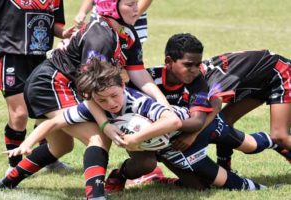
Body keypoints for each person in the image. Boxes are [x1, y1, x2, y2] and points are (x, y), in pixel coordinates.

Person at [0, 0, 170, 199]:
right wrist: (105, 125)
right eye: (130, 4)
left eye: (136, 3)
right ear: (112, 7)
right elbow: (91, 88)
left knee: (61, 146)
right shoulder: (100, 36)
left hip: (68, 85)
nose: (137, 8)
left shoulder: (127, 32)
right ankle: (95, 195)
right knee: (98, 137)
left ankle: (8, 181)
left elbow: (138, 73)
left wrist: (164, 105)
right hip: (52, 84)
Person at [108, 33, 290, 189]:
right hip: (160, 139)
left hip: (275, 75)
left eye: (197, 64)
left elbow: (205, 114)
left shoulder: (199, 82)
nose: (194, 70)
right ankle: (122, 175)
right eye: (188, 65)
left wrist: (187, 133)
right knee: (150, 165)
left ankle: (267, 149)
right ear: (169, 62)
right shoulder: (148, 80)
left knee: (266, 139)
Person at [0, 58, 182, 195]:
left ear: (123, 87)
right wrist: (28, 142)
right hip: (142, 139)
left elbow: (173, 121)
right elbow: (55, 122)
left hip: (178, 137)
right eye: (102, 100)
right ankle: (10, 180)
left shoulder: (138, 102)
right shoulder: (93, 106)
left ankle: (119, 175)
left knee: (148, 164)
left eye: (115, 96)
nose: (111, 103)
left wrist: (135, 138)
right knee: (62, 146)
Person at [0, 0, 75, 173]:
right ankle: (14, 166)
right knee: (20, 115)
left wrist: (65, 33)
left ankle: (49, 159)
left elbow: (56, 24)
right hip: (11, 54)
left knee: (44, 112)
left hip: (41, 58)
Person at [74, 0, 152, 43]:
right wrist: (82, 12)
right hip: (101, 15)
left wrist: (135, 14)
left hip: (128, 16)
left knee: (128, 64)